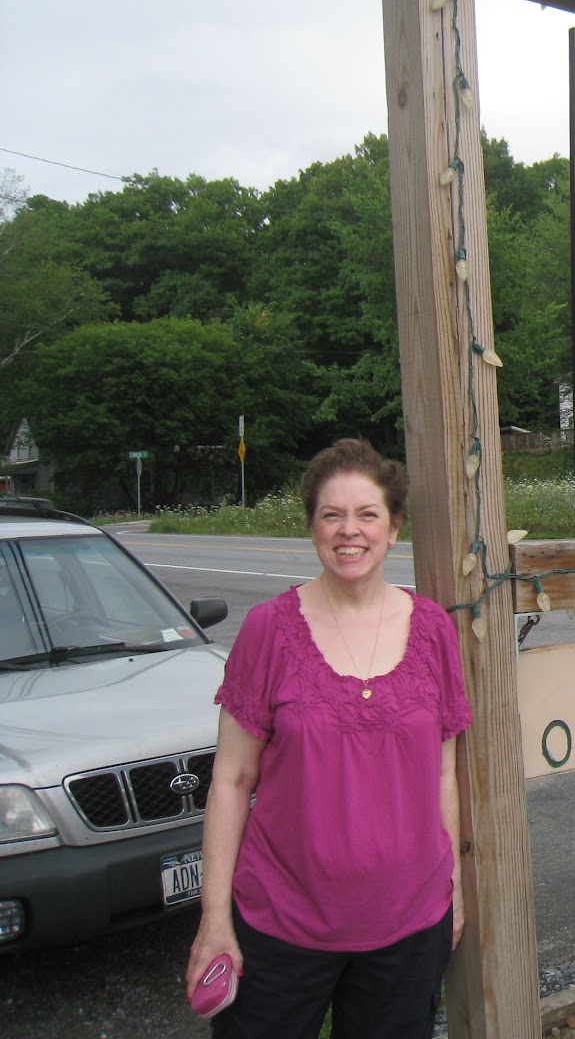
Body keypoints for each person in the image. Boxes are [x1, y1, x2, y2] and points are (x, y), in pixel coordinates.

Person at [186, 438, 472, 1038]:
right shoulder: (268, 630)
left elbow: (443, 775)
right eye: (331, 515)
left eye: (367, 514)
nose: (350, 531)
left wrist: (454, 891)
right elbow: (231, 780)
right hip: (281, 927)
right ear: (312, 526)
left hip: (409, 926)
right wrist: (214, 919)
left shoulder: (432, 630)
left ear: (394, 527)